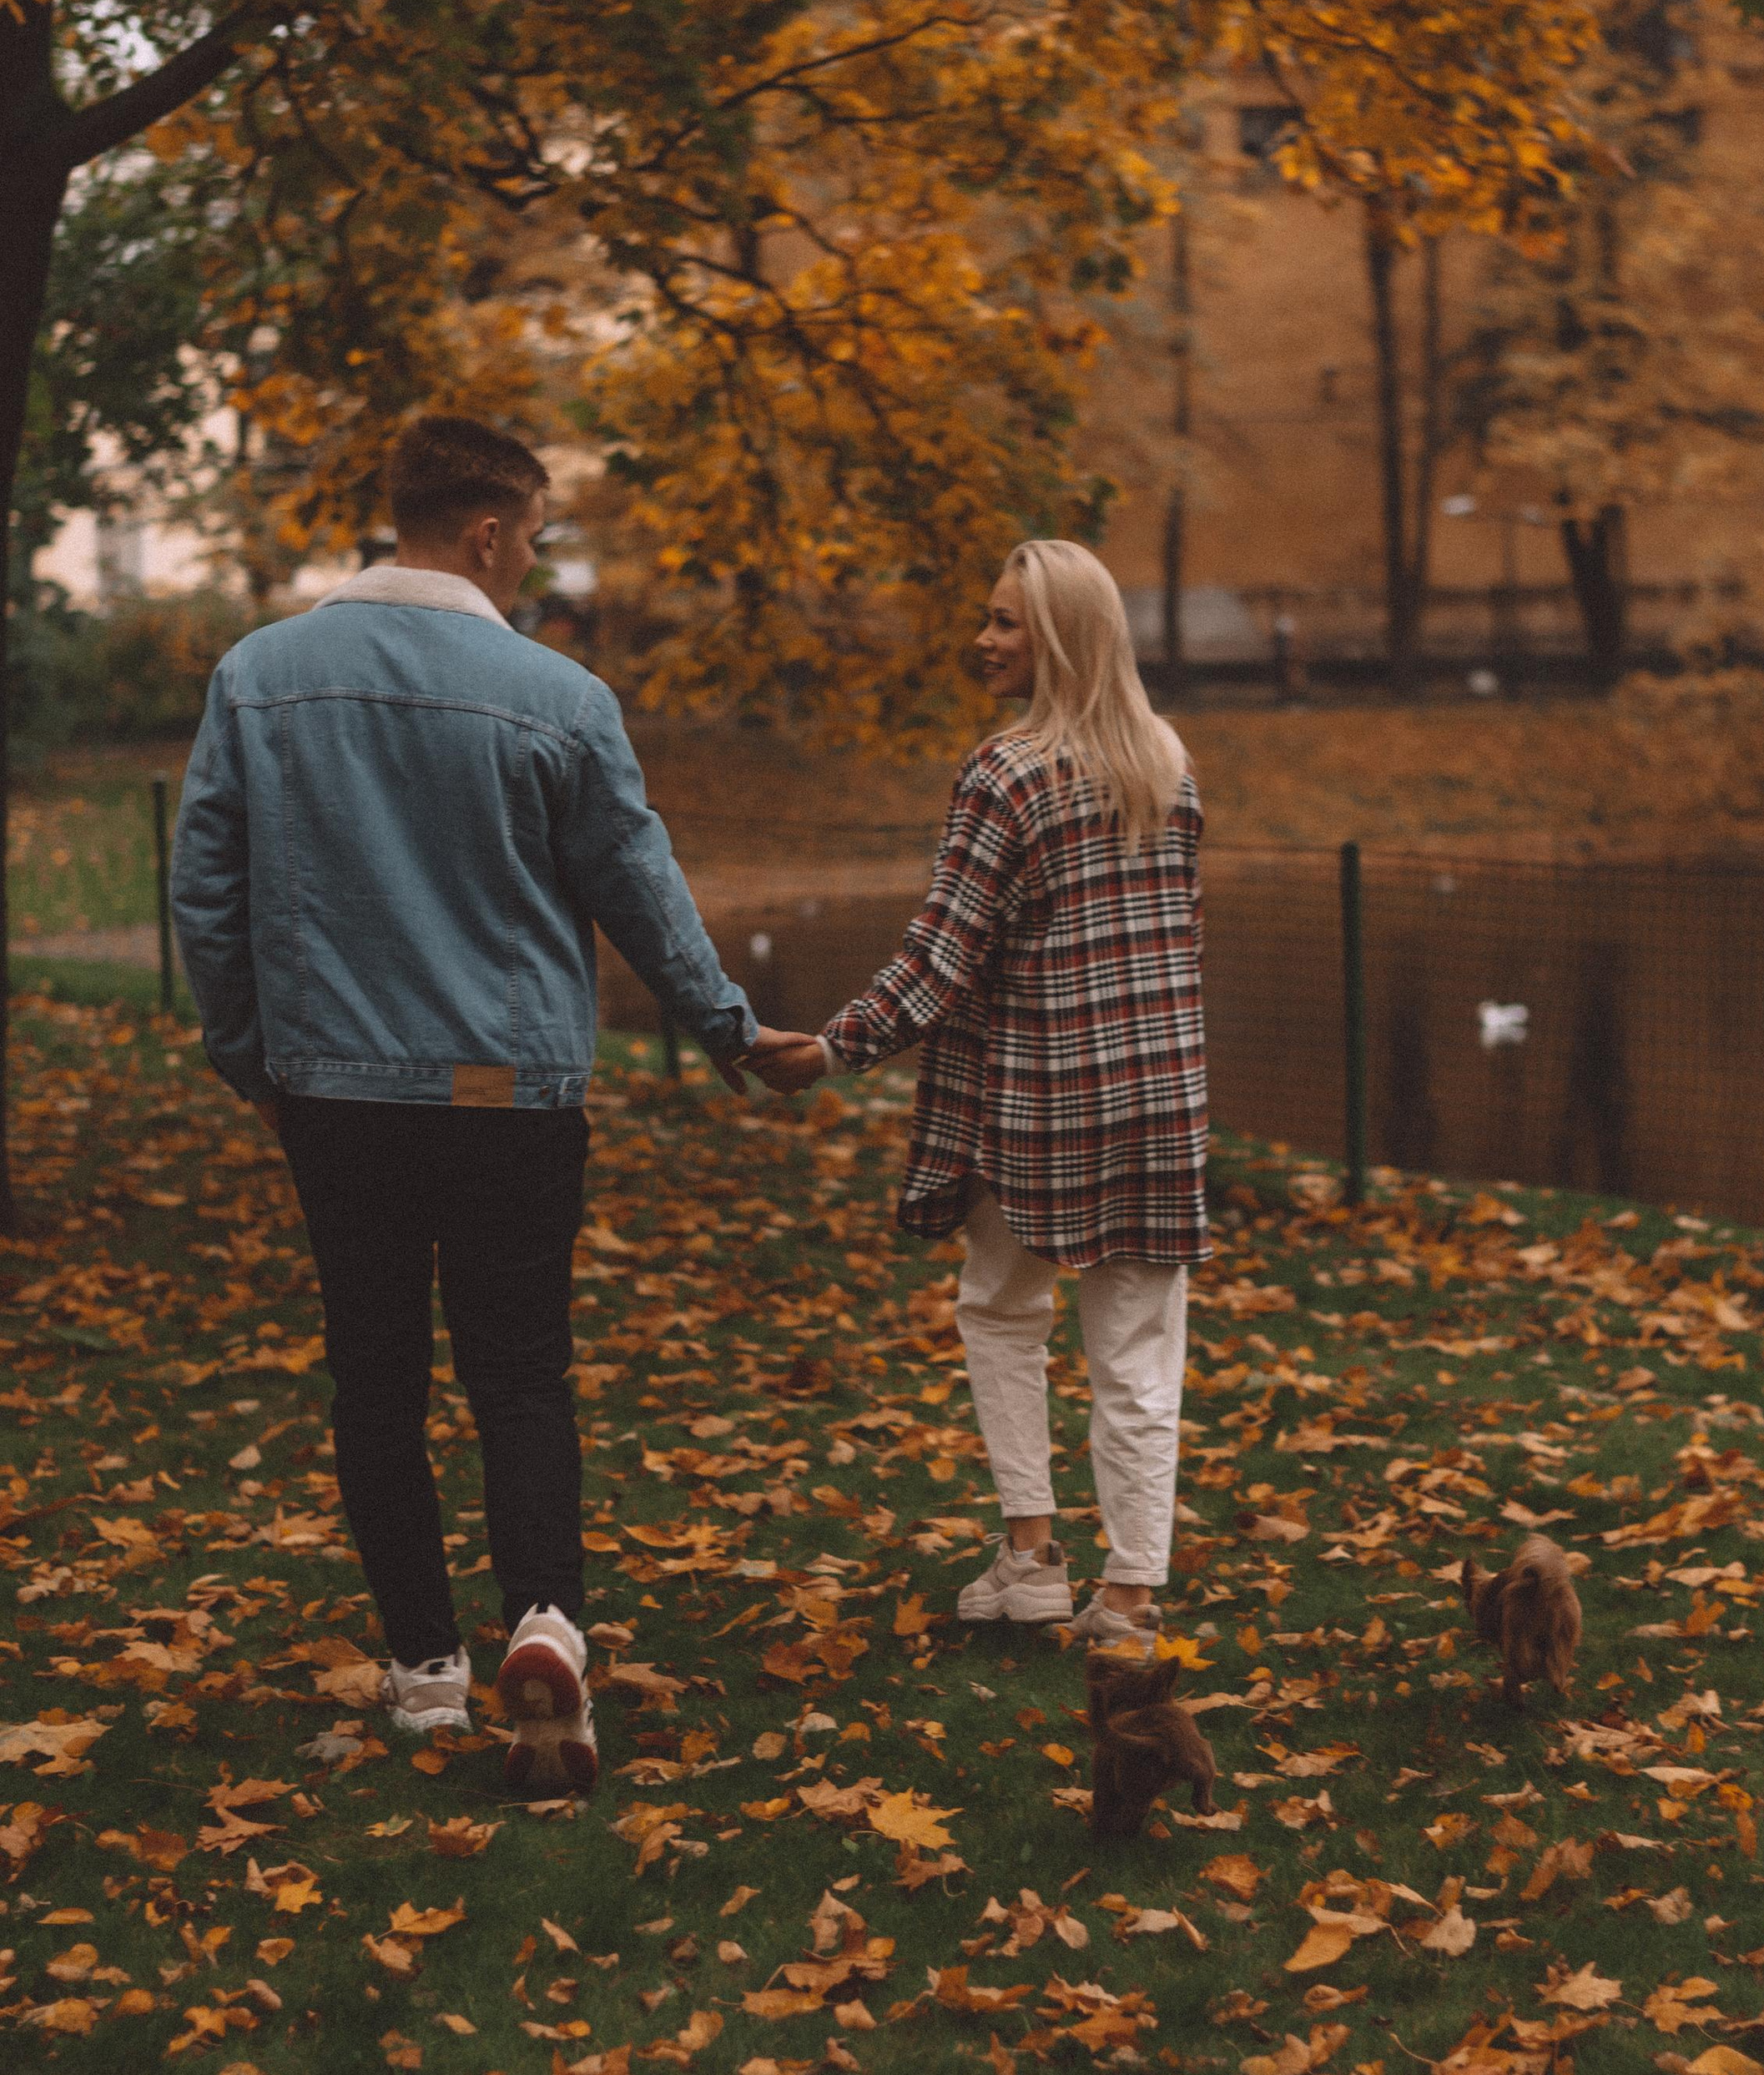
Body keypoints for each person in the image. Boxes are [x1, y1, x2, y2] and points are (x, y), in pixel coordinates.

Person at [171, 415, 815, 1791]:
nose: (532, 560)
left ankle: (422, 1668)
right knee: (520, 1373)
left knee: (375, 1377)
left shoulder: (258, 677)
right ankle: (544, 1624)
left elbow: (205, 895)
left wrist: (255, 1064)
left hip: (338, 1093)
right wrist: (729, 1026)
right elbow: (636, 886)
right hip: (511, 1093)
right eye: (530, 537)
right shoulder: (558, 695)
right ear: (484, 532)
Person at [751, 540, 1207, 1653]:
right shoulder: (1166, 758)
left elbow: (941, 959)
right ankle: (1130, 1601)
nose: (983, 639)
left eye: (1006, 622)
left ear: (1059, 638)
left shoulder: (1007, 772)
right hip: (1159, 1098)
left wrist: (832, 1051)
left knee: (1003, 1310)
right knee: (1138, 1354)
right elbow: (1178, 935)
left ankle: (1033, 1556)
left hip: (1043, 1101)